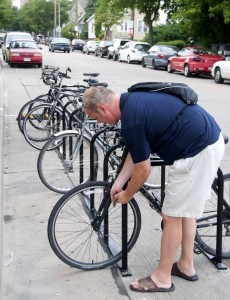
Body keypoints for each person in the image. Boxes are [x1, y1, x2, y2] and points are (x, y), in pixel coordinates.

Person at [82, 86, 225, 293]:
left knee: (172, 217)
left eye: (95, 117)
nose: (98, 122)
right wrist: (119, 182)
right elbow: (137, 151)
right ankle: (186, 265)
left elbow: (143, 170)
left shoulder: (131, 120)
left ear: (103, 108)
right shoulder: (131, 101)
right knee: (185, 213)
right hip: (205, 141)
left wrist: (127, 194)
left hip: (197, 152)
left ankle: (162, 278)